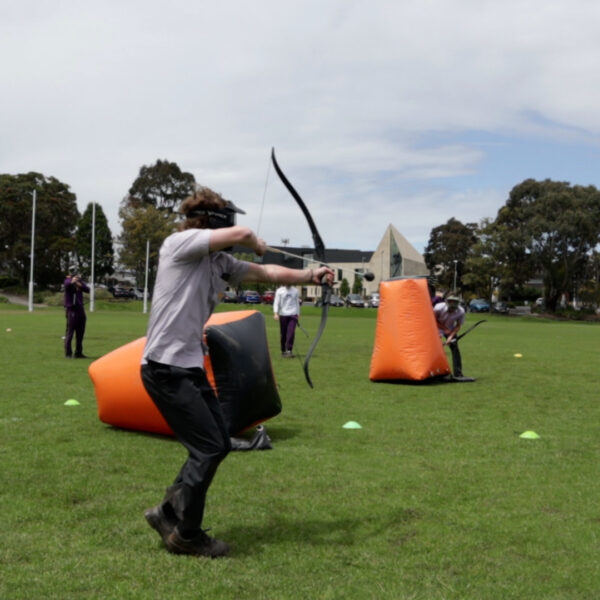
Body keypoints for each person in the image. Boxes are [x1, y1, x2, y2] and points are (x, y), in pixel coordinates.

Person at [140, 186, 333, 559]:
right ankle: (187, 534)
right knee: (209, 448)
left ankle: (166, 512)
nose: (238, 226)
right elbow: (245, 238)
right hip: (165, 367)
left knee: (217, 443)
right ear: (217, 220)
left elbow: (267, 272)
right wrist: (254, 240)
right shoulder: (180, 244)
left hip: (188, 366)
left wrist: (311, 275)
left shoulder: (219, 263)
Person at [433, 293, 466, 378]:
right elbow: (432, 320)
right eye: (451, 301)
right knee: (436, 349)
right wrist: (444, 329)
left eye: (455, 302)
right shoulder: (438, 307)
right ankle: (435, 372)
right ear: (447, 301)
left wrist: (451, 336)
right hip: (436, 327)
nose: (452, 304)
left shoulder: (461, 311)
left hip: (450, 330)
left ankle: (458, 373)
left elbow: (458, 325)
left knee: (455, 348)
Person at [63, 265, 89, 358]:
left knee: (80, 332)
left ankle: (78, 352)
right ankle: (68, 353)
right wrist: (73, 281)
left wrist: (79, 284)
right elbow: (67, 285)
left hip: (80, 308)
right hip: (72, 309)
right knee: (70, 332)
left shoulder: (79, 281)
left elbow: (87, 289)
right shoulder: (68, 280)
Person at [273, 284, 301, 358]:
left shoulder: (295, 291)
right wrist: (276, 313)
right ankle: (283, 350)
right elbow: (276, 302)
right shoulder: (279, 291)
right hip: (283, 314)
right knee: (283, 334)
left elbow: (297, 303)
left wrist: (298, 313)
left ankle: (289, 350)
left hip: (293, 314)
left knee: (291, 332)